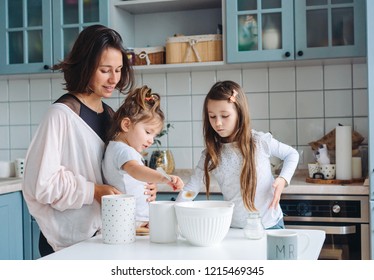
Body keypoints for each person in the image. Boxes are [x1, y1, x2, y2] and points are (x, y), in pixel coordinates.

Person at [22, 25, 157, 257]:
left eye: (118, 69)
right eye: (105, 70)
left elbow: (117, 168)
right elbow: (40, 185)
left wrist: (141, 184)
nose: (114, 79)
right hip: (66, 243)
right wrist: (92, 191)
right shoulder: (61, 115)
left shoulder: (111, 115)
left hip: (104, 237)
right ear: (86, 66)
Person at [176, 80, 299, 229]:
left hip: (269, 225)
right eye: (212, 117)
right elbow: (191, 189)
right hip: (234, 228)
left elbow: (292, 154)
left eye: (225, 116)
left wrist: (283, 179)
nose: (218, 123)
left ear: (239, 113)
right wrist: (174, 213)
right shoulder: (211, 153)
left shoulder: (260, 142)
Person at [102, 85, 184, 231]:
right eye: (148, 132)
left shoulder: (116, 148)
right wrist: (163, 177)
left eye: (154, 135)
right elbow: (135, 170)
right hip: (133, 222)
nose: (151, 140)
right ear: (126, 124)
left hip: (132, 220)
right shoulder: (124, 151)